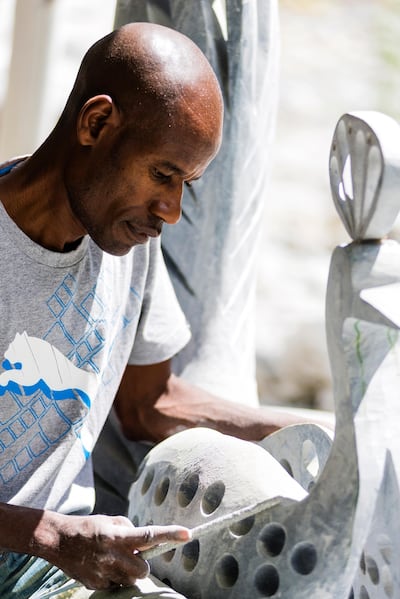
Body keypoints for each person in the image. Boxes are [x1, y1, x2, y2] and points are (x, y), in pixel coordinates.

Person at [0, 22, 305, 598]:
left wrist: (318, 433)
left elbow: (151, 402)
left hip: (59, 574)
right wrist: (48, 535)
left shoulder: (126, 242)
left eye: (187, 182)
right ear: (96, 124)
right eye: (163, 173)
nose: (171, 210)